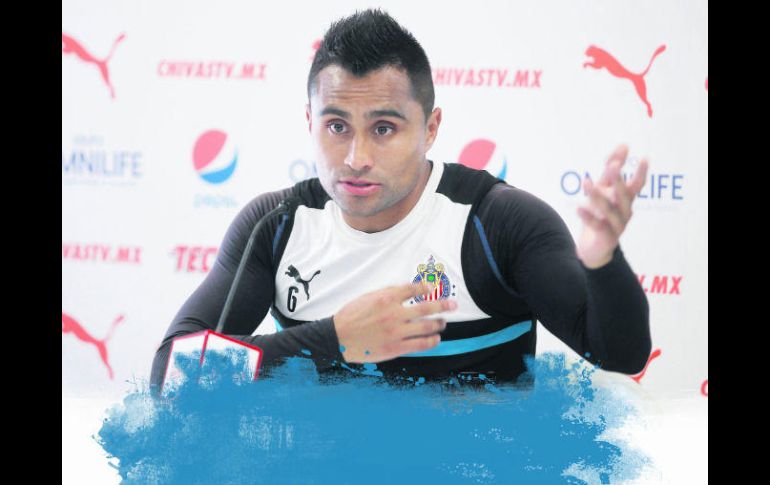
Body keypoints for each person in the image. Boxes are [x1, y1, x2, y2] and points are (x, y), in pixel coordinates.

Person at [150, 8, 651, 393]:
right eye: (336, 126)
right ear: (309, 122)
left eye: (384, 128)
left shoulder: (498, 222)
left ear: (430, 129)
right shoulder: (275, 226)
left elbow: (622, 355)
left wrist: (602, 263)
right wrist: (333, 341)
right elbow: (169, 373)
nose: (356, 158)